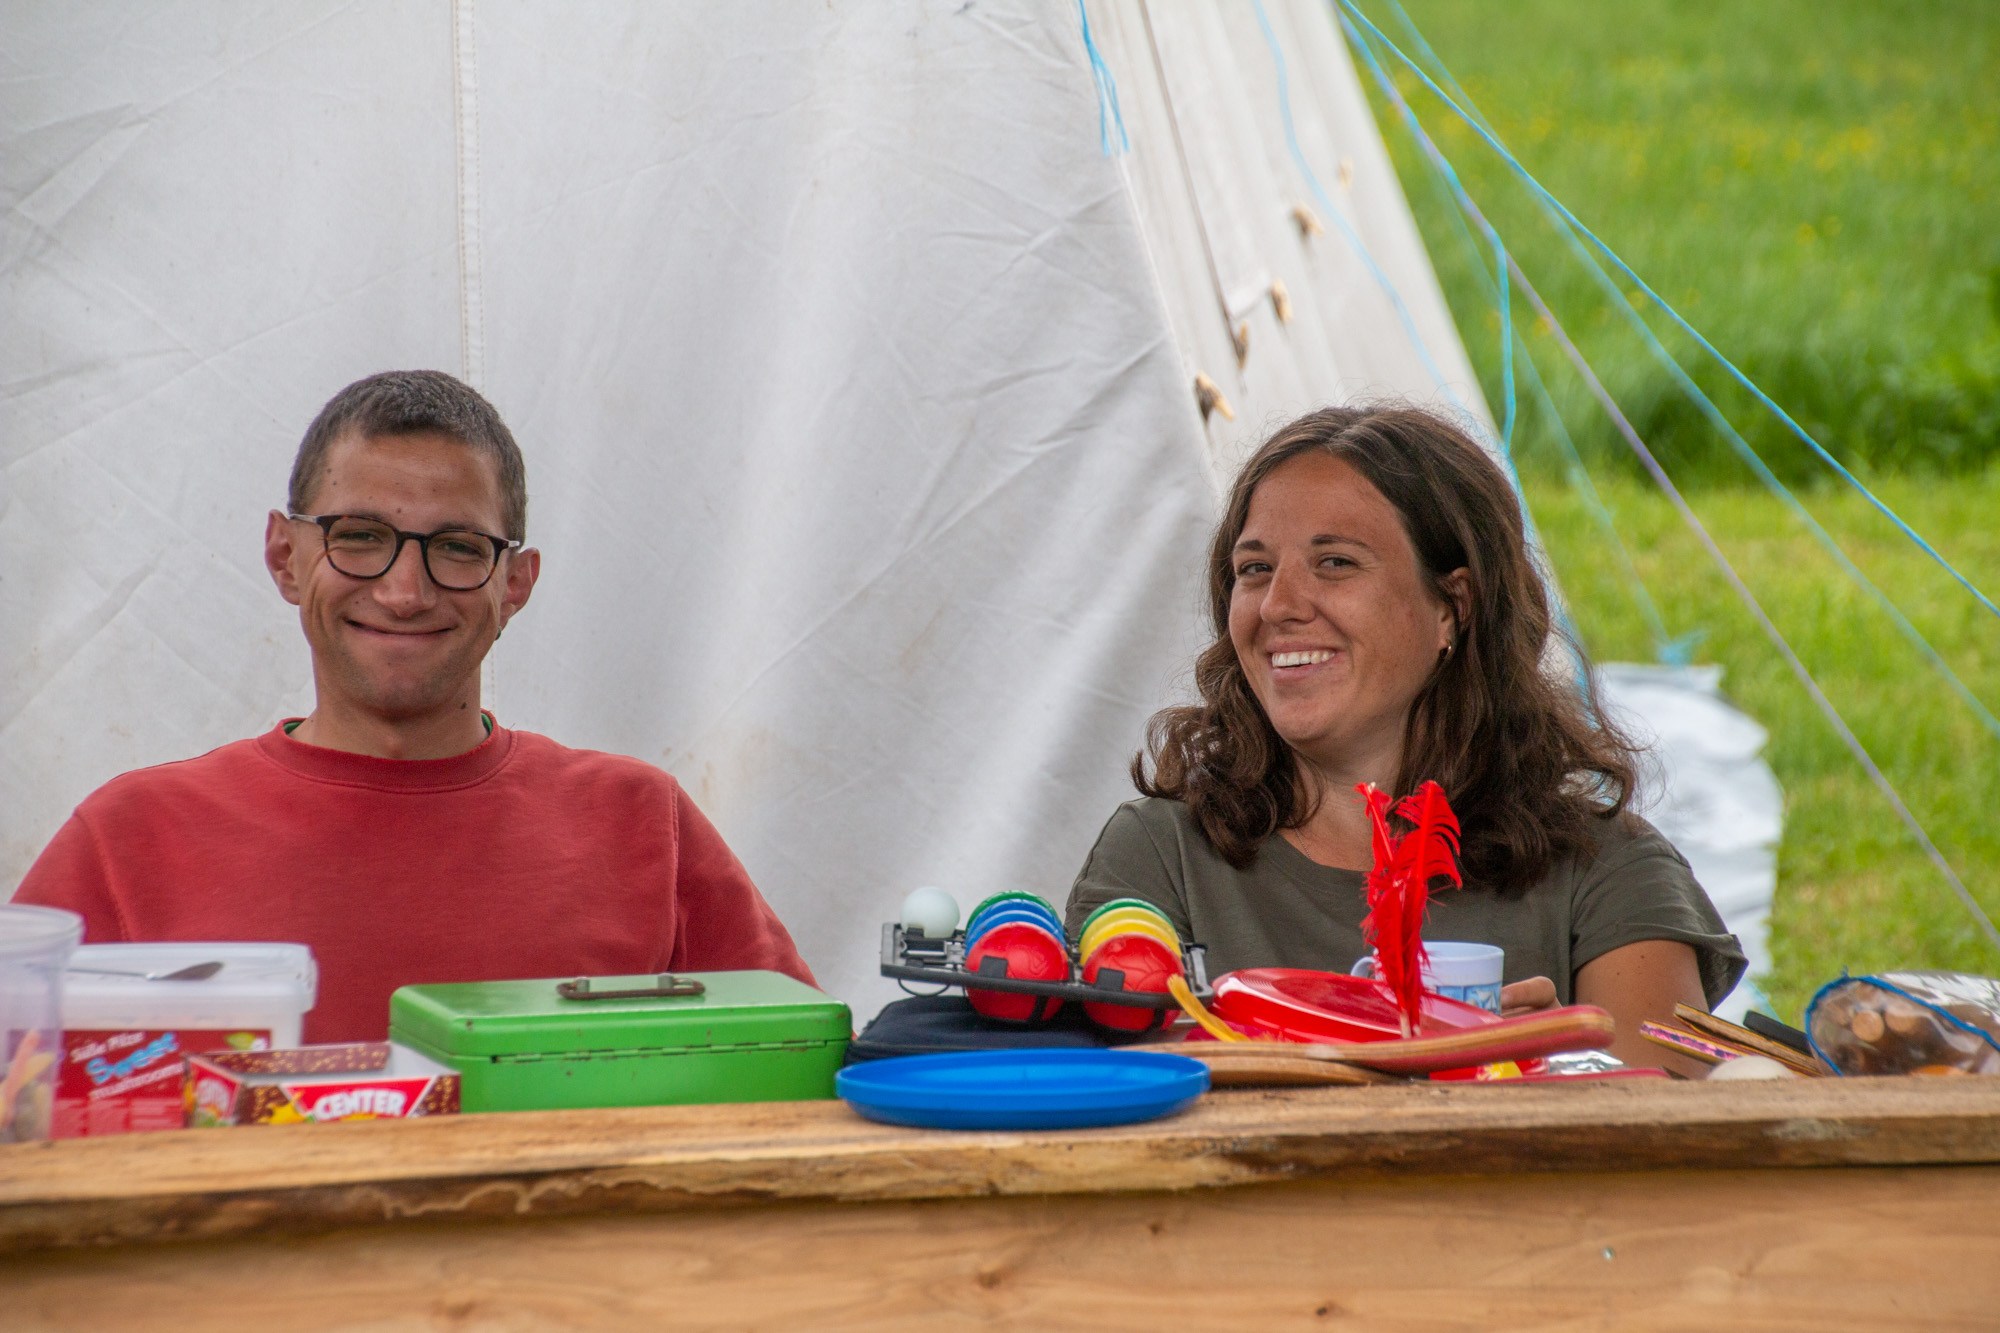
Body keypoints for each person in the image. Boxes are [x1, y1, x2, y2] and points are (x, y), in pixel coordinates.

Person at [14, 370, 816, 1042]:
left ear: (516, 584)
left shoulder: (641, 824)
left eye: (458, 548)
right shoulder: (129, 838)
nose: (404, 592)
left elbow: (800, 1082)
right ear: (285, 556)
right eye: (359, 535)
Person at [1065, 405, 1743, 1072]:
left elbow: (1670, 1130)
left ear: (1452, 607)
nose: (1278, 605)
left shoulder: (1603, 868)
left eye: (1334, 562)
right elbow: (1107, 1107)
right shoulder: (1161, 857)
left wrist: (1555, 1073)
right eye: (1254, 569)